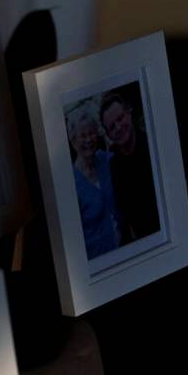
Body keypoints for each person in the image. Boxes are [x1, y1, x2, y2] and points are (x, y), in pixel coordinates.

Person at [99, 91, 161, 242]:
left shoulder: (155, 146)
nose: (118, 127)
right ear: (108, 134)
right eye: (112, 127)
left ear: (129, 113)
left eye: (120, 118)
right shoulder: (113, 167)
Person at [67, 103, 122, 259]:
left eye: (91, 133)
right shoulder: (71, 183)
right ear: (73, 140)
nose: (89, 140)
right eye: (83, 136)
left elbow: (121, 154)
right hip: (98, 259)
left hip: (124, 246)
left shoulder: (104, 159)